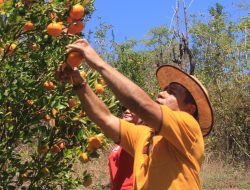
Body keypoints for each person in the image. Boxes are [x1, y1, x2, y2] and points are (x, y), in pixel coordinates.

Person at [56, 39, 213, 190]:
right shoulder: (145, 136)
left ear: (190, 108)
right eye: (164, 89)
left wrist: (98, 62)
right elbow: (105, 119)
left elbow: (142, 106)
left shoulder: (189, 127)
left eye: (171, 92)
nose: (161, 93)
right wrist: (78, 81)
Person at [109, 107, 143, 190]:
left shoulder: (140, 137)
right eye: (124, 108)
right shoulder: (122, 138)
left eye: (132, 108)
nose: (127, 111)